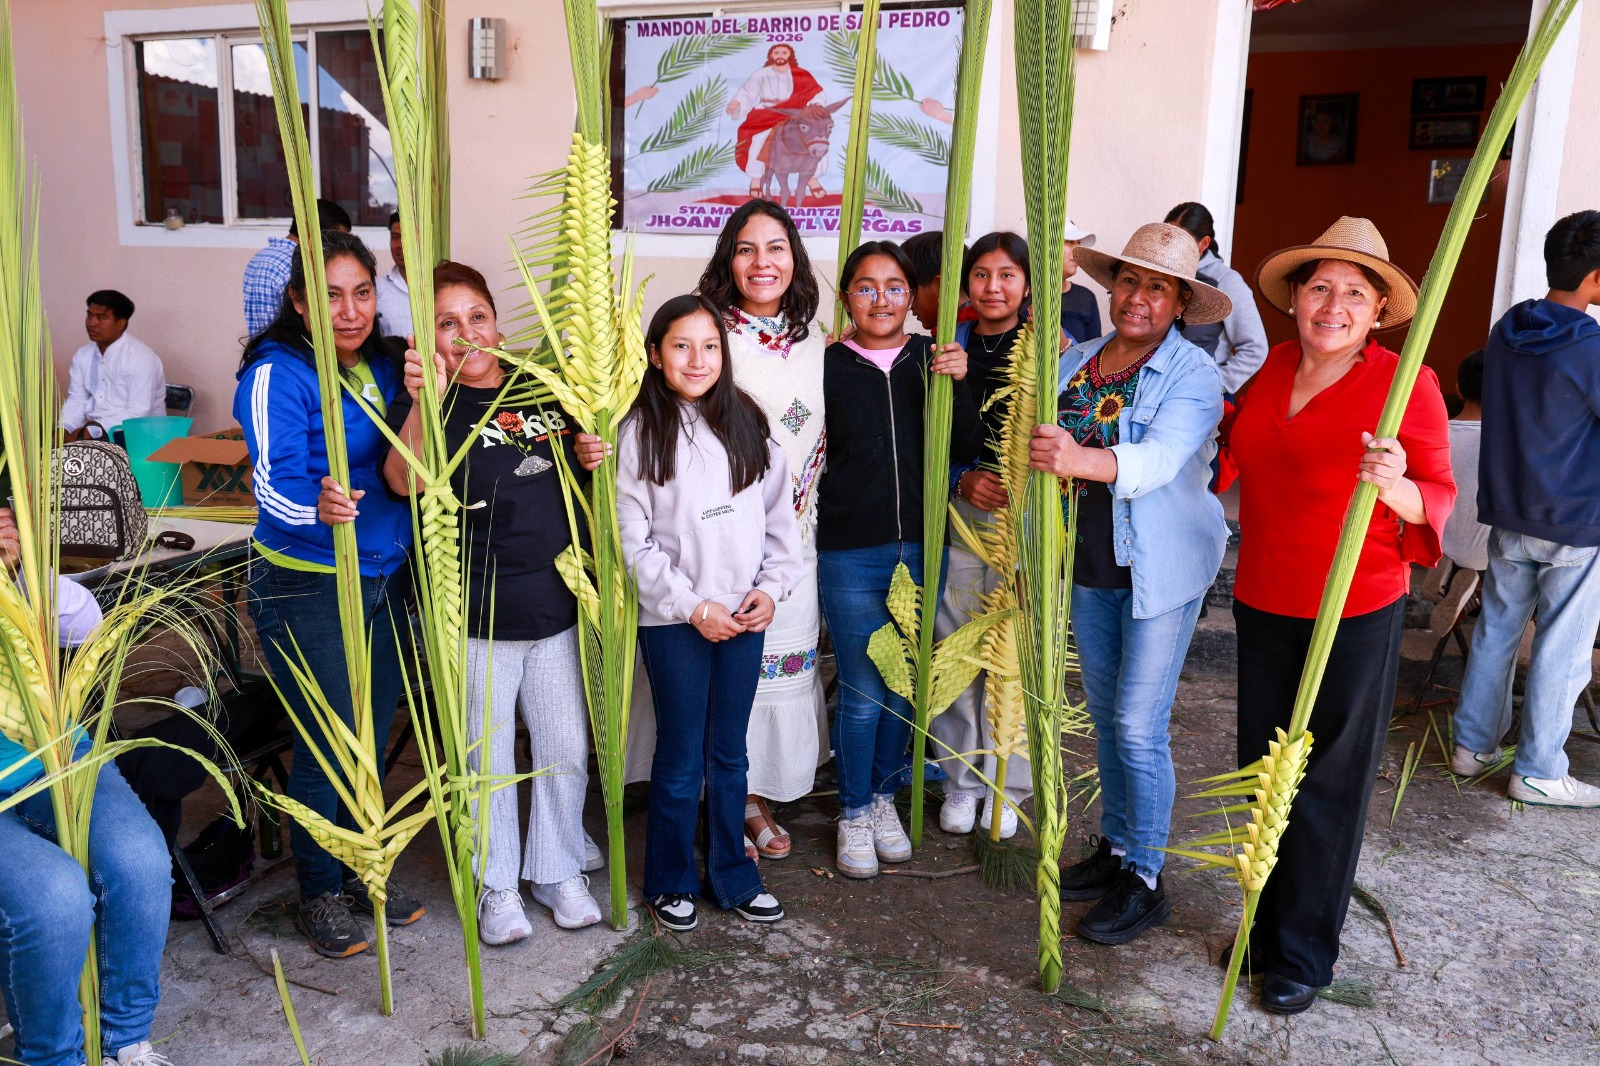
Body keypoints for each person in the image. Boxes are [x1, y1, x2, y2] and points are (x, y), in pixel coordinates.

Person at [317, 262, 609, 942]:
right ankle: (498, 886)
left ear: (498, 320)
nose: (468, 333)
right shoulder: (428, 406)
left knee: (566, 749)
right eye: (447, 324)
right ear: (427, 340)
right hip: (475, 619)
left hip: (556, 607)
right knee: (489, 762)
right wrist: (425, 399)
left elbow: (580, 472)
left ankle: (559, 871)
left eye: (477, 316)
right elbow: (402, 478)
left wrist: (591, 455)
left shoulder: (540, 388)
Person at [1219, 216, 1454, 1014]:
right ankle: (1259, 923)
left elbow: (1436, 495)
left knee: (1326, 781)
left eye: (1356, 292)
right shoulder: (1276, 364)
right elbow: (1235, 451)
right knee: (1265, 768)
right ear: (1295, 298)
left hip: (1354, 605)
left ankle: (1301, 954)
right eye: (1321, 286)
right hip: (1263, 593)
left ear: (1379, 309)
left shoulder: (1405, 381)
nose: (1334, 304)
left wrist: (1398, 486)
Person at [1031, 223, 1232, 945]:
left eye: (1157, 287)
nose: (1138, 297)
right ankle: (1117, 849)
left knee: (1137, 727)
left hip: (1162, 567)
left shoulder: (1193, 376)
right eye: (1127, 280)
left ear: (1180, 302)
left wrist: (1078, 459)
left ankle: (1146, 877)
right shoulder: (1077, 361)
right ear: (1109, 286)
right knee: (1110, 712)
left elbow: (1161, 459)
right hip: (1087, 564)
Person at [234, 230, 422, 960]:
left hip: (379, 574)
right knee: (328, 740)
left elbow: (409, 451)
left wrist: (419, 391)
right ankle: (317, 891)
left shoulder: (381, 363)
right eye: (332, 296)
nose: (350, 311)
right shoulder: (277, 372)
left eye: (363, 293)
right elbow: (270, 483)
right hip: (305, 583)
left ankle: (355, 871)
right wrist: (316, 507)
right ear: (300, 302)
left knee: (371, 740)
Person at [618, 294, 804, 932]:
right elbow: (632, 543)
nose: (697, 359)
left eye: (710, 346)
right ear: (655, 355)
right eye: (680, 346)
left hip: (743, 618)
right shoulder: (639, 432)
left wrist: (769, 591)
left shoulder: (748, 423)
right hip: (676, 622)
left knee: (730, 752)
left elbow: (782, 524)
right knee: (680, 756)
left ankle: (733, 873)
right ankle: (669, 880)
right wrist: (692, 606)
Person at [819, 241, 981, 878]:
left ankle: (885, 798)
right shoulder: (826, 365)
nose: (880, 299)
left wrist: (960, 384)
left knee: (903, 686)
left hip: (921, 544)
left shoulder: (930, 361)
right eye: (865, 287)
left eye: (894, 287)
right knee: (862, 688)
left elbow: (965, 444)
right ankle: (854, 810)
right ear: (846, 298)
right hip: (849, 551)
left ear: (914, 297)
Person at [0, 508, 176, 1066]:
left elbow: (84, 625)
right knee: (54, 899)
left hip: (55, 748)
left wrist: (21, 569)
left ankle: (125, 1041)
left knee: (140, 863)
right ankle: (53, 1058)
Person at [687, 200, 829, 862]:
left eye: (775, 248)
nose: (762, 262)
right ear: (728, 259)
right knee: (719, 673)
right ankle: (719, 805)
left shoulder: (815, 338)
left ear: (794, 259)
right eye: (746, 249)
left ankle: (754, 797)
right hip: (722, 537)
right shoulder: (706, 331)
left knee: (774, 672)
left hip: (796, 538)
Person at [1452, 210, 1600, 804]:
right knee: (1562, 644)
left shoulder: (1507, 329)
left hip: (1510, 509)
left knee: (1497, 630)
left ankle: (1472, 746)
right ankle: (1538, 769)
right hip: (1574, 519)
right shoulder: (1589, 346)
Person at [935, 231, 1033, 838]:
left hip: (1026, 522)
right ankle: (961, 781)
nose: (992, 287)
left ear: (1027, 285)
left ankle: (1009, 782)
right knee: (960, 648)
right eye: (981, 275)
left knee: (1015, 654)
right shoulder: (951, 347)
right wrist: (960, 478)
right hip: (965, 518)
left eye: (1007, 275)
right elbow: (932, 436)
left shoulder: (1053, 351)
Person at [1163, 202, 1270, 394]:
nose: (1173, 247)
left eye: (1183, 241)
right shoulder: (1160, 273)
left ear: (1203, 243)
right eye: (1169, 238)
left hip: (1200, 398)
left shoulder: (1225, 281)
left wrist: (1213, 385)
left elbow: (1255, 348)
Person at [726, 44, 828, 201]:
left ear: (790, 55)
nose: (780, 55)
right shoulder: (760, 74)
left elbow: (817, 93)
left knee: (811, 138)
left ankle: (812, 178)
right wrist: (736, 104)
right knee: (757, 140)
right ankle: (756, 179)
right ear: (771, 55)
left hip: (794, 114)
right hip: (766, 114)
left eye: (784, 52)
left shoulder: (800, 74)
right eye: (776, 52)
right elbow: (746, 93)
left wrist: (813, 108)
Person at [59, 289, 166, 437]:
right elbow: (77, 399)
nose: (92, 323)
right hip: (96, 434)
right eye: (89, 315)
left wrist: (92, 431)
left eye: (101, 317)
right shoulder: (83, 355)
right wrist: (65, 427)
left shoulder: (141, 358)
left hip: (138, 437)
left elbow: (138, 412)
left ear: (121, 323)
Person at [242, 198, 352, 337]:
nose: (341, 245)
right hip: (290, 352)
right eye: (340, 237)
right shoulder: (298, 264)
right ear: (317, 232)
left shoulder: (259, 257)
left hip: (263, 351)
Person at [1440, 349, 1489, 573]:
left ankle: (1449, 568)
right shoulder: (1508, 443)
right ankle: (1469, 580)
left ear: (1459, 390)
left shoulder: (1436, 436)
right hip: (1487, 556)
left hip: (1439, 545)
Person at [1059, 218, 1103, 347]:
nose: (1077, 250)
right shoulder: (1020, 296)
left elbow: (1093, 355)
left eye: (1078, 243)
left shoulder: (1086, 298)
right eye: (1069, 242)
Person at [374, 211, 413, 342]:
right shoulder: (377, 289)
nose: (400, 245)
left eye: (407, 237)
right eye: (395, 237)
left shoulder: (438, 283)